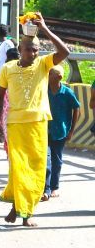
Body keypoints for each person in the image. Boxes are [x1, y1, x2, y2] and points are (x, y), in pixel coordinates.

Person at [0, 15, 69, 226]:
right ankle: (23, 212)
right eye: (29, 49)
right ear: (21, 50)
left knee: (36, 168)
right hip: (15, 124)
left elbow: (65, 52)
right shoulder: (7, 69)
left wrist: (44, 28)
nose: (33, 53)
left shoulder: (44, 64)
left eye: (36, 49)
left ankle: (21, 209)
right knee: (18, 166)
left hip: (38, 123)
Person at [44, 63, 80, 201]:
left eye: (50, 74)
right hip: (44, 130)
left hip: (60, 131)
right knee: (45, 160)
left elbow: (77, 108)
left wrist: (71, 130)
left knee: (56, 160)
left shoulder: (67, 92)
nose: (47, 76)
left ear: (58, 77)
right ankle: (45, 188)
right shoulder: (44, 90)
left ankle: (54, 187)